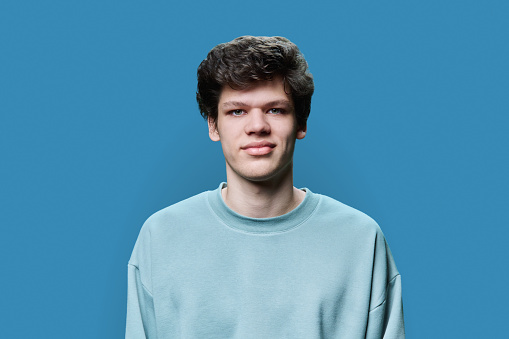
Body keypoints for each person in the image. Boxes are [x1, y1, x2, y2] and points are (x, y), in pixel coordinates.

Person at [126, 36, 405, 338]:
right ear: (213, 125)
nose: (257, 125)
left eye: (275, 110)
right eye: (237, 111)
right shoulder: (161, 236)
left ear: (301, 123)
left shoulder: (361, 241)